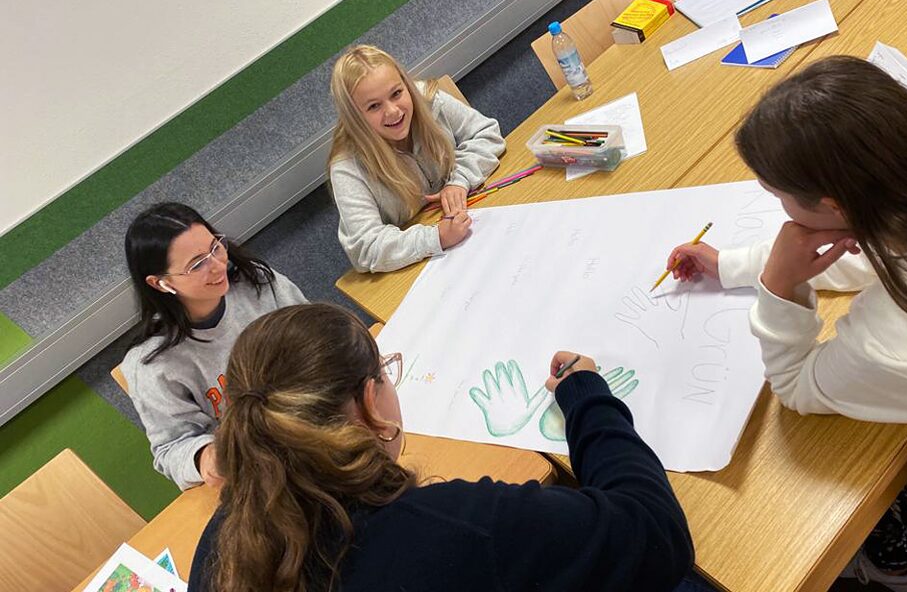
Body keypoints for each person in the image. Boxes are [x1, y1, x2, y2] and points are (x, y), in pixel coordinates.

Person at [666, 56, 907, 591]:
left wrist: (778, 285)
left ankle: (895, 572)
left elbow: (797, 385)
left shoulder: (896, 339)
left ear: (836, 205)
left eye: (779, 198)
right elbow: (887, 251)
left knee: (851, 475)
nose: (782, 211)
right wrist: (735, 265)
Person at [187, 303, 701, 592]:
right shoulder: (454, 529)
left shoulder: (221, 548)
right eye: (385, 372)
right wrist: (588, 399)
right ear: (369, 404)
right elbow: (656, 534)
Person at [121, 202, 307, 490]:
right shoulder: (152, 364)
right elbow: (171, 448)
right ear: (160, 283)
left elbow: (317, 336)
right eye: (197, 264)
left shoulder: (255, 283)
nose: (218, 266)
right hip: (262, 471)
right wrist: (204, 456)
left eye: (215, 247)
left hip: (312, 422)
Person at [328, 44, 504, 273]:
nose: (393, 111)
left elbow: (487, 133)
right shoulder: (347, 167)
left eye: (396, 93)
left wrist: (459, 181)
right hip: (421, 264)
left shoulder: (428, 99)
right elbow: (366, 248)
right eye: (374, 106)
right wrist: (435, 238)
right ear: (354, 117)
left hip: (472, 219)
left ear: (406, 84)